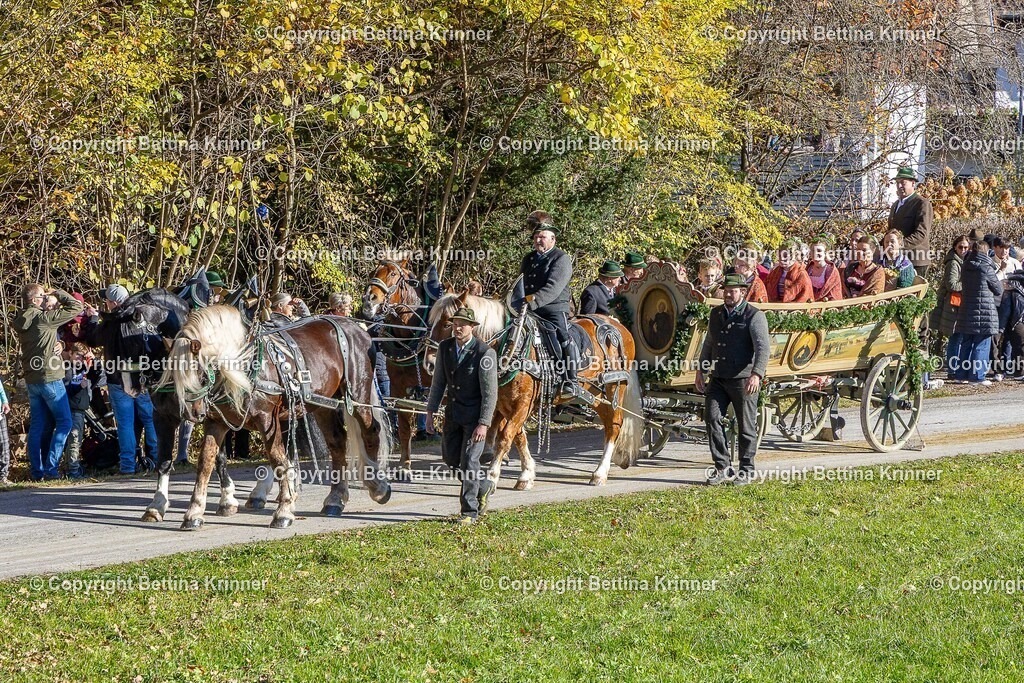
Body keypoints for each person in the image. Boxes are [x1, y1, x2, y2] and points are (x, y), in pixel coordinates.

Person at [425, 307, 498, 525]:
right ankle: (484, 486)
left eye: (463, 324)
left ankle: (469, 512)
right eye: (455, 323)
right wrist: (430, 412)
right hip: (453, 416)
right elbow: (438, 383)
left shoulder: (485, 353)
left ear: (472, 327)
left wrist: (484, 423)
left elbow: (490, 393)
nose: (458, 328)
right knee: (451, 459)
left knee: (469, 462)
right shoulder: (445, 348)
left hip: (475, 419)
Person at [696, 274, 770, 486]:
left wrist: (756, 374)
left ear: (742, 292)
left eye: (733, 290)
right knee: (711, 418)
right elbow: (709, 343)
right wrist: (701, 370)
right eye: (726, 290)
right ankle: (722, 467)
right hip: (718, 377)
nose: (728, 294)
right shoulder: (716, 313)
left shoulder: (754, 316)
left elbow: (763, 348)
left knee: (746, 426)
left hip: (743, 379)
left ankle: (746, 470)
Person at [82, 284, 160, 475]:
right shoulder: (142, 316)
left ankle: (127, 465)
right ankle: (157, 460)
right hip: (142, 378)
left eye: (107, 301)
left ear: (115, 303)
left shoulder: (111, 324)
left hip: (118, 380)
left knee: (125, 424)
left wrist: (93, 318)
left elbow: (92, 339)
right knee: (150, 420)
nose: (106, 304)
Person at [13, 284, 83, 480]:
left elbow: (43, 341)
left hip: (32, 379)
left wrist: (59, 344)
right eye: (42, 296)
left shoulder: (22, 319)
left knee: (37, 426)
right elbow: (76, 307)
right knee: (65, 422)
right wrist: (57, 293)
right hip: (50, 377)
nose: (45, 299)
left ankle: (37, 472)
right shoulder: (43, 319)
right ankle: (51, 469)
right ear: (35, 300)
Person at [519, 211, 579, 400]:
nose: (538, 240)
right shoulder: (528, 259)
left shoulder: (561, 258)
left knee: (563, 336)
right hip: (527, 308)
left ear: (553, 238)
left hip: (553, 308)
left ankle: (570, 380)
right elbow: (519, 283)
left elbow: (553, 288)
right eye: (536, 237)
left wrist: (531, 302)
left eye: (542, 237)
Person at [954, 239, 1002, 385]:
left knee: (967, 343)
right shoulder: (986, 268)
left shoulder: (966, 266)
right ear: (986, 252)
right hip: (985, 312)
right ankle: (977, 376)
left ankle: (961, 375)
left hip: (967, 311)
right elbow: (998, 289)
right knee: (982, 344)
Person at [62, 342, 105, 479]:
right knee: (74, 439)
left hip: (81, 409)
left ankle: (73, 468)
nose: (80, 359)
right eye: (77, 356)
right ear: (70, 354)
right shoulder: (67, 369)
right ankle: (72, 471)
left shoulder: (83, 369)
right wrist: (80, 386)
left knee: (77, 440)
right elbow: (66, 390)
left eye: (82, 357)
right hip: (72, 409)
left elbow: (100, 375)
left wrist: (94, 360)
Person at [931, 236, 969, 383]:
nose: (964, 250)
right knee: (955, 337)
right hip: (952, 306)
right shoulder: (953, 263)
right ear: (955, 247)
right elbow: (951, 285)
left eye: (966, 247)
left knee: (958, 337)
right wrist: (967, 284)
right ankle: (953, 369)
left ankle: (956, 368)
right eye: (961, 247)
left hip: (959, 305)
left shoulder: (964, 261)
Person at [888, 166, 933, 275]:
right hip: (897, 259)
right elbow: (891, 232)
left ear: (913, 183)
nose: (899, 186)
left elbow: (921, 234)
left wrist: (899, 245)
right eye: (897, 183)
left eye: (903, 183)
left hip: (916, 261)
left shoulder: (922, 203)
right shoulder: (895, 205)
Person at [997, 271, 1024, 380]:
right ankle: (1019, 371)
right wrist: (1001, 328)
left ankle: (1019, 370)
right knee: (1019, 345)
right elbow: (1005, 309)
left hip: (1017, 319)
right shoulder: (1012, 289)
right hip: (1016, 321)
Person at [806, 236, 844, 302]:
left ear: (825, 253)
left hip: (826, 304)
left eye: (819, 251)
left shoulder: (831, 271)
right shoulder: (808, 269)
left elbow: (834, 293)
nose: (815, 253)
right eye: (813, 250)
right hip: (809, 303)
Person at [0, 375, 10, 485]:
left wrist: (5, 401)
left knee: (4, 445)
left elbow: (0, 387)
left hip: (0, 414)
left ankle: (3, 477)